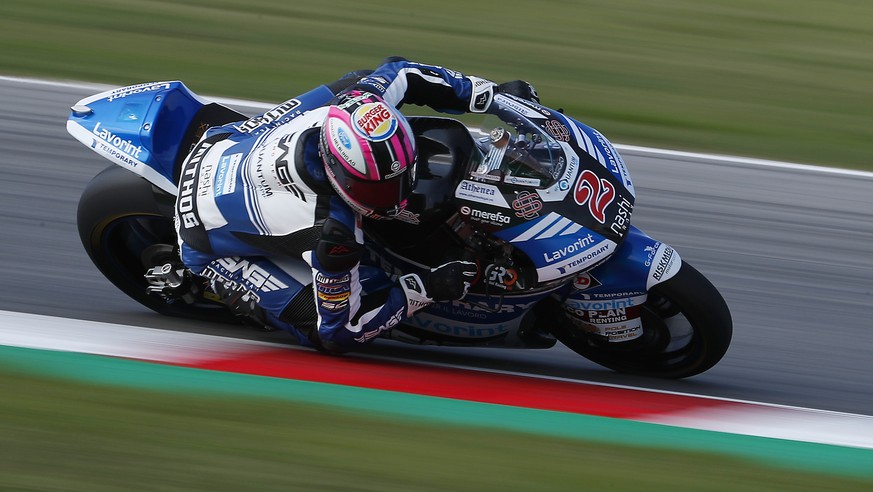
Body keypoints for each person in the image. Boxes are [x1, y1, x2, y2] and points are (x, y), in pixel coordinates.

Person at [174, 57, 538, 352]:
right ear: (340, 174)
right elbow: (341, 332)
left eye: (402, 177)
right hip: (201, 231)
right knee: (340, 311)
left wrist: (493, 97)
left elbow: (402, 71)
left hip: (224, 142)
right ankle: (230, 288)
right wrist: (425, 289)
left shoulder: (358, 104)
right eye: (382, 189)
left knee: (359, 78)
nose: (399, 197)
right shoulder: (333, 234)